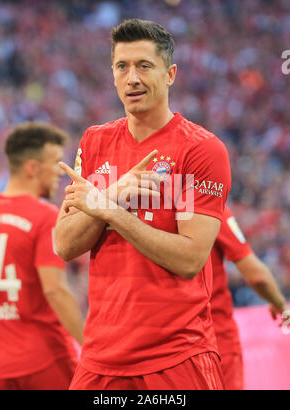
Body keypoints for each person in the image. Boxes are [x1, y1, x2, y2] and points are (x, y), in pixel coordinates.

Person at [55, 18, 231, 390]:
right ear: (113, 75)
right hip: (100, 359)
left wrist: (109, 210)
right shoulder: (94, 140)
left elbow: (189, 260)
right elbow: (65, 244)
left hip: (176, 358)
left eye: (144, 66)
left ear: (170, 74)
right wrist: (114, 194)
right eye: (122, 67)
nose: (132, 78)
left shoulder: (198, 149)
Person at [0, 122, 84, 390]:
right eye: (55, 162)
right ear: (32, 168)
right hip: (45, 357)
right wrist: (89, 346)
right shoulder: (44, 216)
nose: (60, 171)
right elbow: (55, 291)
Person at [211, 205, 289, 390]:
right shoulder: (207, 205)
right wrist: (279, 303)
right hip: (215, 340)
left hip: (163, 343)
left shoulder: (142, 210)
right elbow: (256, 274)